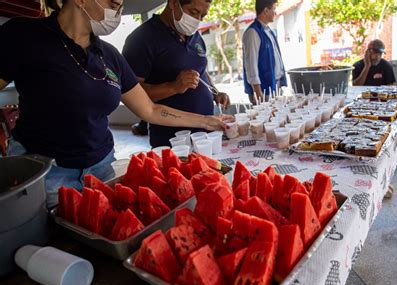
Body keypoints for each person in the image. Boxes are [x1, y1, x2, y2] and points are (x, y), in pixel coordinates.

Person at [0, 0, 233, 207]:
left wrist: (207, 121)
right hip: (47, 174)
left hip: (102, 168)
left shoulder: (108, 55)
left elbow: (149, 109)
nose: (117, 12)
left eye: (119, 7)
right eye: (112, 4)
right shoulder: (25, 36)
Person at [123, 0, 231, 147]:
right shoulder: (141, 39)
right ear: (173, 3)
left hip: (206, 132)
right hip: (172, 140)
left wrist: (215, 92)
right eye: (193, 12)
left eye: (202, 15)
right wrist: (173, 87)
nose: (197, 20)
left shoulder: (195, 36)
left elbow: (201, 70)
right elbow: (133, 94)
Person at [242, 0, 287, 104]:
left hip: (274, 86)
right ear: (266, 11)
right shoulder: (252, 32)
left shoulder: (268, 30)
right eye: (274, 9)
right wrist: (257, 92)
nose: (275, 13)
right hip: (263, 91)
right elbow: (251, 65)